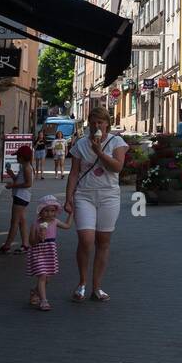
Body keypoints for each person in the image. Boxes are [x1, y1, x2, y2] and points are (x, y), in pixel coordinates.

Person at [64, 106, 127, 302]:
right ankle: (82, 283)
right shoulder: (81, 144)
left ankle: (97, 286)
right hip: (84, 195)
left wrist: (99, 152)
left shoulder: (117, 142)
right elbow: (74, 173)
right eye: (93, 123)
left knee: (103, 242)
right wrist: (68, 198)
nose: (96, 126)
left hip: (109, 196)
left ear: (107, 123)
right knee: (86, 239)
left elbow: (117, 167)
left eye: (100, 122)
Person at [27, 194, 72, 311]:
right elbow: (31, 242)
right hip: (38, 252)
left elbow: (67, 226)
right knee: (42, 275)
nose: (49, 214)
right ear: (40, 211)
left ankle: (35, 292)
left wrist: (72, 214)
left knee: (47, 279)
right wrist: (38, 237)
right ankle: (44, 301)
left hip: (50, 252)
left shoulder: (55, 222)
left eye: (52, 211)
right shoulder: (35, 224)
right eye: (46, 211)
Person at [0, 148, 33, 255]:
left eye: (17, 156)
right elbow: (20, 180)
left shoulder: (27, 168)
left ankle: (7, 246)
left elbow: (28, 184)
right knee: (21, 221)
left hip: (21, 197)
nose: (16, 158)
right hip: (21, 197)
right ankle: (25, 245)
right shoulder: (24, 167)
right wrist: (12, 174)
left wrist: (12, 185)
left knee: (14, 222)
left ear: (22, 157)